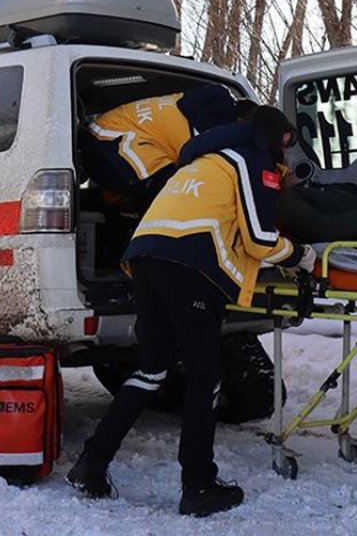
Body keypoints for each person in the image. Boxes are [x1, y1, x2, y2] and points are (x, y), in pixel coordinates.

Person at [66, 104, 313, 518]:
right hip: (191, 267)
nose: (286, 157)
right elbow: (258, 238)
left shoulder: (205, 159)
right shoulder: (253, 159)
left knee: (151, 369)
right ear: (274, 137)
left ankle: (91, 464)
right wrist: (302, 255)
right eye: (286, 145)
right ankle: (198, 486)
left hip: (145, 256)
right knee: (204, 378)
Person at [78, 83, 249, 205]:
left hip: (103, 139)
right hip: (110, 145)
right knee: (178, 193)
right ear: (241, 121)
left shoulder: (189, 103)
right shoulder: (218, 128)